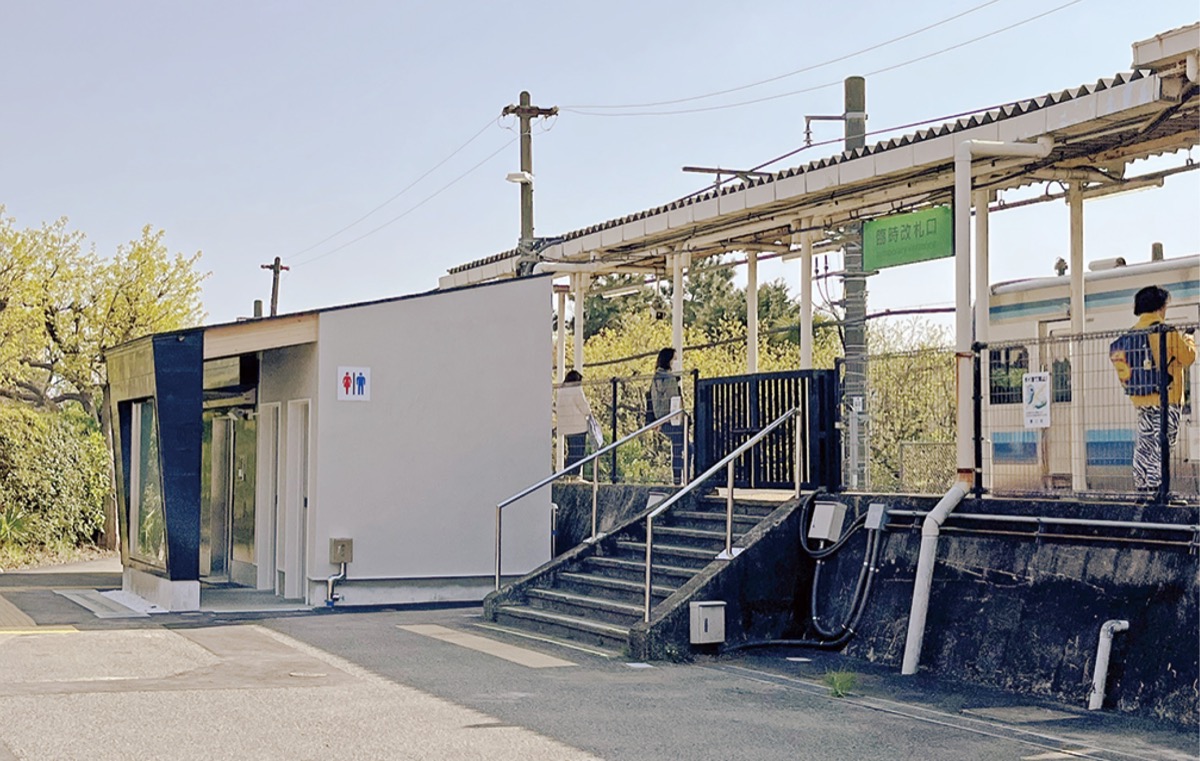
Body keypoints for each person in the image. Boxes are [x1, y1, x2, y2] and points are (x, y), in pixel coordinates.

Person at [1112, 286, 1195, 493]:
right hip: (1168, 398)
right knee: (1164, 444)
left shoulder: (1132, 335)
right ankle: (1159, 489)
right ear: (1160, 307)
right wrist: (1189, 339)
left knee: (1145, 443)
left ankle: (1142, 487)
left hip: (1142, 399)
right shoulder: (1166, 332)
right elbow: (1187, 358)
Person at [651, 348, 686, 485]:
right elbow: (674, 400)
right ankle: (684, 477)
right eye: (674, 359)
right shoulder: (670, 379)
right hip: (673, 419)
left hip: (661, 418)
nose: (676, 362)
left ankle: (677, 478)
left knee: (677, 447)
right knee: (685, 448)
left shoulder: (656, 377)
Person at [557, 370, 593, 477]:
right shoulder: (576, 390)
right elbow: (585, 408)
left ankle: (568, 474)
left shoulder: (561, 391)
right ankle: (574, 474)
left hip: (567, 427)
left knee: (572, 451)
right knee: (579, 453)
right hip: (578, 427)